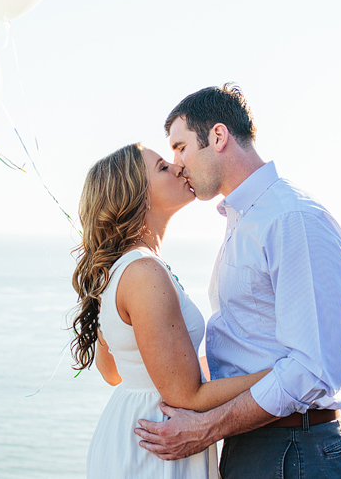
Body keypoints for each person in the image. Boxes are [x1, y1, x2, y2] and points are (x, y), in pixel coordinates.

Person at [134, 84, 341, 479]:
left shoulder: (291, 218)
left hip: (294, 448)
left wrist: (207, 428)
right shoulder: (246, 217)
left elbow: (315, 368)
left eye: (181, 147)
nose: (178, 164)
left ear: (218, 137)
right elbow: (251, 343)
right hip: (261, 442)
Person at [72, 143, 272, 479]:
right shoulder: (143, 272)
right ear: (136, 194)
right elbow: (186, 394)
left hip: (139, 432)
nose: (179, 167)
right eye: (163, 167)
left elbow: (116, 373)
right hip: (155, 447)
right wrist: (282, 373)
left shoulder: (127, 268)